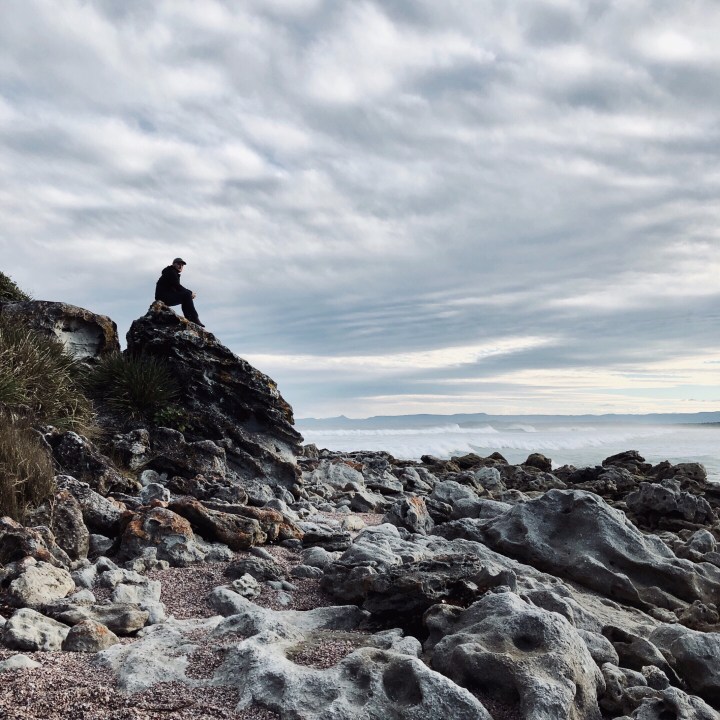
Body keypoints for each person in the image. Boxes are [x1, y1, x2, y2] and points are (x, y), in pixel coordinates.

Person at [154, 258, 204, 327]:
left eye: (182, 265)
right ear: (173, 264)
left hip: (165, 296)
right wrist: (190, 292)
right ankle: (194, 318)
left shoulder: (172, 272)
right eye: (178, 264)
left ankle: (189, 318)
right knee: (186, 294)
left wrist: (188, 293)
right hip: (163, 297)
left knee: (185, 296)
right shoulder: (171, 272)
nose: (180, 266)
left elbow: (176, 288)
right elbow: (177, 286)